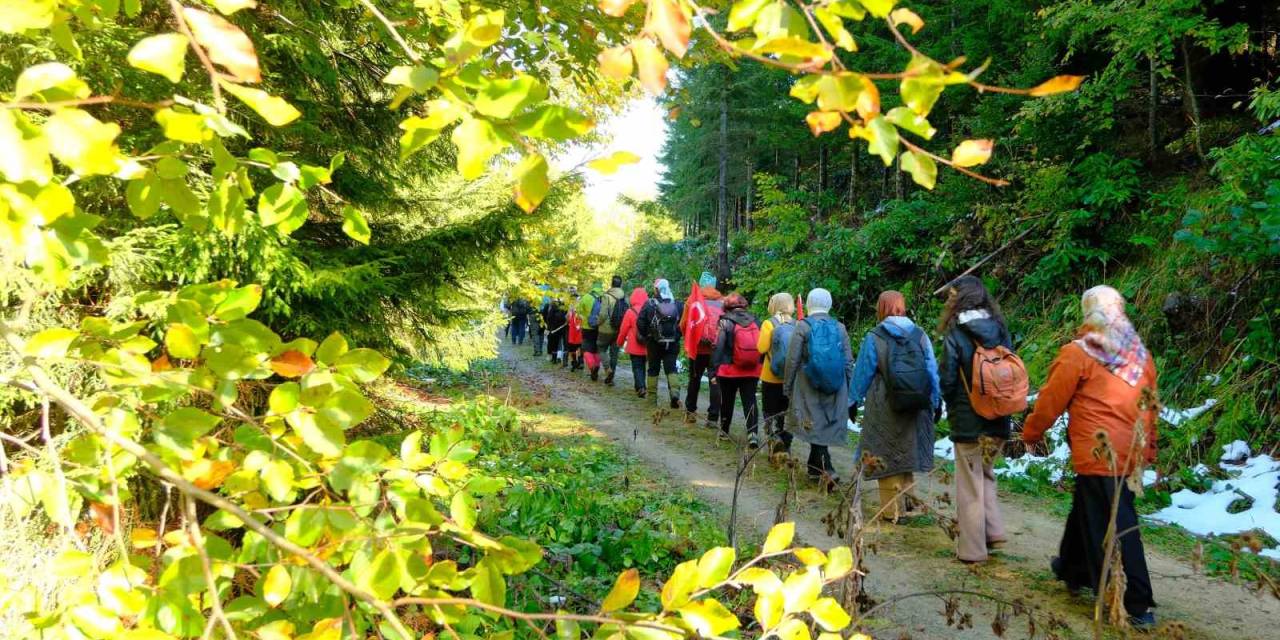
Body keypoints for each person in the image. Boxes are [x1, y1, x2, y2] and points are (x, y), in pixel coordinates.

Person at [1022, 285, 1158, 628]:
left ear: (1087, 313)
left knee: (1115, 523)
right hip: (1129, 448)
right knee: (1088, 505)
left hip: (1099, 451)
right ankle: (1073, 567)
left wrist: (1032, 432)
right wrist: (1149, 446)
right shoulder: (1139, 355)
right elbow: (1149, 406)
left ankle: (1135, 602)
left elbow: (1051, 399)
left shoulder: (1078, 352)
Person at [938, 275, 1014, 563]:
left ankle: (972, 550)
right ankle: (993, 531)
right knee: (985, 473)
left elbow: (947, 378)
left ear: (961, 300)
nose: (948, 300)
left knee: (969, 483)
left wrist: (950, 407)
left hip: (969, 420)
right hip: (999, 417)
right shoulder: (1001, 330)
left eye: (952, 295)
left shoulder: (956, 335)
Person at [849, 290, 940, 523]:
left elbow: (863, 373)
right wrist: (936, 400)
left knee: (884, 453)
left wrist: (852, 401)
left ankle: (891, 511)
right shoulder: (920, 334)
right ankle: (910, 504)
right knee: (907, 450)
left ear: (881, 308)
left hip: (884, 402)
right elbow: (931, 369)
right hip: (916, 402)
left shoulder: (874, 336)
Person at [783, 289, 853, 486]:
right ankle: (815, 469)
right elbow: (848, 361)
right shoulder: (840, 328)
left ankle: (828, 469)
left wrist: (787, 386)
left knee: (813, 423)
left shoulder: (802, 326)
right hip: (836, 385)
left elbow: (792, 360)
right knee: (821, 425)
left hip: (808, 385)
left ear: (809, 304)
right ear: (829, 304)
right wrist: (851, 390)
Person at [710, 293, 762, 447]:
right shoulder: (755, 320)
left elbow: (719, 346)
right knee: (750, 399)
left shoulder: (725, 321)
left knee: (727, 400)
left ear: (726, 306)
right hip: (752, 369)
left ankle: (724, 431)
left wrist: (713, 370)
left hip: (729, 370)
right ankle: (753, 433)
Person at [680, 272, 724, 427]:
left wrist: (689, 339)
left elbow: (684, 324)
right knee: (715, 381)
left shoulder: (692, 301)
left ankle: (690, 413)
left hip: (697, 349)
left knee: (694, 379)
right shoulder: (723, 302)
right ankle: (713, 418)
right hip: (716, 350)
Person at [758, 293, 796, 454]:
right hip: (790, 377)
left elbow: (761, 348)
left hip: (770, 375)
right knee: (785, 410)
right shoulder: (798, 323)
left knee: (770, 409)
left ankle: (773, 439)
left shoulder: (769, 323)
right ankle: (785, 442)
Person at [637, 278, 684, 409]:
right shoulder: (678, 304)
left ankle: (652, 400)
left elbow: (640, 322)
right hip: (672, 343)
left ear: (656, 289)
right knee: (671, 368)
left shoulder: (650, 304)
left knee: (653, 369)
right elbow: (683, 324)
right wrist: (677, 335)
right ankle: (675, 394)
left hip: (654, 342)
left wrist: (647, 335)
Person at [615, 286, 651, 398]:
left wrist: (619, 343)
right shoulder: (650, 310)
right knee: (643, 366)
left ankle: (640, 387)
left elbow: (623, 330)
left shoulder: (630, 312)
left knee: (636, 367)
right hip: (647, 345)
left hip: (634, 346)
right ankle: (642, 386)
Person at [597, 276, 627, 386]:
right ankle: (611, 379)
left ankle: (607, 369)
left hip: (605, 328)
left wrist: (598, 322)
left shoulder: (606, 296)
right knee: (614, 354)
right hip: (618, 329)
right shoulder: (624, 296)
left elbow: (603, 314)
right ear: (621, 284)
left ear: (611, 284)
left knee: (601, 348)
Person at [576, 283, 603, 380]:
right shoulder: (604, 296)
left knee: (587, 349)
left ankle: (592, 367)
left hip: (587, 327)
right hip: (600, 327)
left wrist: (584, 317)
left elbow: (578, 311)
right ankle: (597, 366)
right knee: (596, 349)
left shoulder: (586, 297)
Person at [544, 297, 568, 364]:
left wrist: (549, 328)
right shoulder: (554, 306)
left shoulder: (560, 307)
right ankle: (556, 358)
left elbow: (549, 318)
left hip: (558, 328)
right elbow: (549, 317)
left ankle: (557, 358)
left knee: (555, 343)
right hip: (556, 328)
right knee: (556, 343)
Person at [565, 289, 584, 371]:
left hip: (573, 330)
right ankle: (580, 361)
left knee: (572, 347)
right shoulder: (581, 305)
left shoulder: (571, 306)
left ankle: (574, 362)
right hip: (579, 328)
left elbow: (567, 319)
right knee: (579, 346)